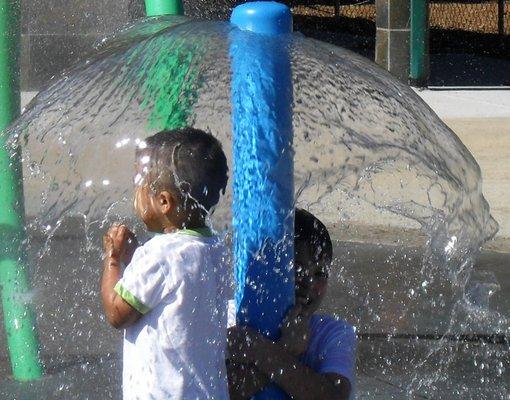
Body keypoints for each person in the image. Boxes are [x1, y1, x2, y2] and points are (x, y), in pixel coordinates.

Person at [101, 128, 230, 400]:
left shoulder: (158, 255)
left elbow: (117, 312)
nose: (135, 192)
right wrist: (135, 254)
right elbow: (174, 286)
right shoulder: (214, 249)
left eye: (139, 183)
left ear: (163, 202)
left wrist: (113, 259)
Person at [227, 209, 356, 400]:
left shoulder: (334, 333)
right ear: (270, 269)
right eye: (298, 269)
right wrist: (285, 347)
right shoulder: (233, 316)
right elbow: (220, 393)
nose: (309, 282)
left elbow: (335, 397)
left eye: (320, 274)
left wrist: (263, 351)